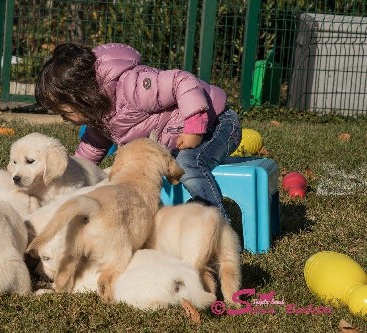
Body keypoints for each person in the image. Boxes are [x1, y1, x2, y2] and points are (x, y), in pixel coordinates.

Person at [35, 42, 241, 221]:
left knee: (189, 164)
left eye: (63, 111)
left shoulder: (132, 87)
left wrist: (194, 125)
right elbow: (91, 150)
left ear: (80, 95)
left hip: (218, 124)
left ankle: (218, 223)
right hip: (182, 141)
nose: (63, 117)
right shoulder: (99, 114)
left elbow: (182, 80)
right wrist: (71, 175)